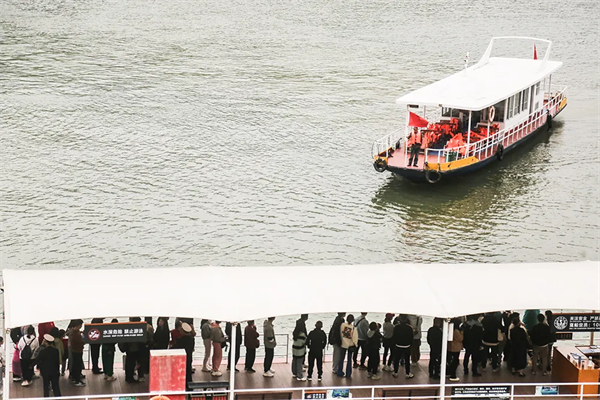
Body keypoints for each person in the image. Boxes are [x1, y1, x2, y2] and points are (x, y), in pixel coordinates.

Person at [392, 315, 414, 379]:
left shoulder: (396, 327)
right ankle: (407, 373)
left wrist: (395, 344)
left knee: (396, 360)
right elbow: (411, 338)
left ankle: (395, 372)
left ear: (400, 318)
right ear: (406, 318)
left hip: (398, 345)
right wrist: (410, 345)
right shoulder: (409, 328)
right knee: (407, 360)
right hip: (407, 346)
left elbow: (394, 337)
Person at [337, 314, 358, 378]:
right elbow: (354, 338)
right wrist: (355, 344)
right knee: (349, 359)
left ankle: (339, 371)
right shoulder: (353, 328)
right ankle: (348, 373)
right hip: (350, 345)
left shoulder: (342, 325)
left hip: (343, 344)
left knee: (341, 359)